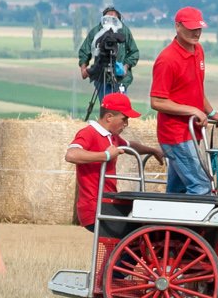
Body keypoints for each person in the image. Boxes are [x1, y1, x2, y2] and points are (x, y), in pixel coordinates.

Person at [149, 6, 218, 196]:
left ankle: (166, 223)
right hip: (176, 135)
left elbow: (196, 89)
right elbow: (157, 101)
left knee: (177, 189)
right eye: (191, 28)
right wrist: (193, 111)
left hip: (191, 132)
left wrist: (212, 113)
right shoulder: (167, 60)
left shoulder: (198, 50)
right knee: (201, 186)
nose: (196, 33)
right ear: (177, 27)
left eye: (199, 28)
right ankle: (197, 226)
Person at [63, 92, 153, 238]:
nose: (126, 124)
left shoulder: (112, 136)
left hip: (108, 203)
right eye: (124, 119)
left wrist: (153, 151)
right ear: (109, 117)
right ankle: (115, 261)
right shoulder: (89, 133)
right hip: (94, 206)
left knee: (134, 236)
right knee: (132, 237)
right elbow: (71, 154)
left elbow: (131, 146)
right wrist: (105, 155)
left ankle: (112, 261)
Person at [77, 6, 140, 113]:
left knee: (120, 109)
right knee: (106, 108)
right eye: (108, 16)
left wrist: (125, 66)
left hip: (120, 78)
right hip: (101, 76)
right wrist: (84, 68)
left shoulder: (124, 31)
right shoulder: (96, 31)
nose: (110, 18)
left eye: (114, 17)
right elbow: (84, 51)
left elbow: (134, 52)